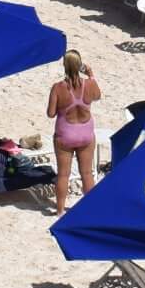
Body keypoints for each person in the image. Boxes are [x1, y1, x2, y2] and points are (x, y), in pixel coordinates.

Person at [47, 50, 102, 216]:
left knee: (63, 174)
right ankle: (91, 210)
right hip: (86, 134)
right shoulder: (89, 84)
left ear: (64, 65)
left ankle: (59, 210)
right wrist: (91, 75)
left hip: (65, 135)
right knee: (86, 173)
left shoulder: (58, 88)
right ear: (80, 66)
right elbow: (98, 96)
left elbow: (50, 114)